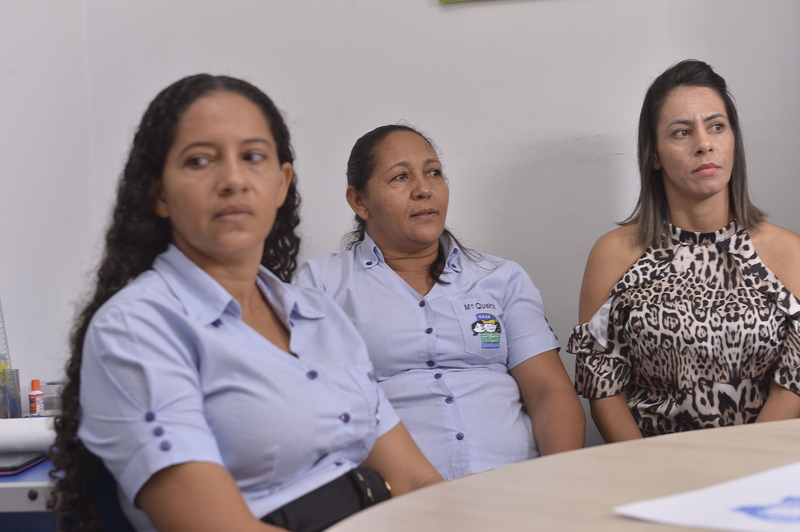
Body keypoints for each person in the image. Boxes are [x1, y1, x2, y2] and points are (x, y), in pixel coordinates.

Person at [50, 75, 441, 532]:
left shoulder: (319, 315)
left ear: (281, 183)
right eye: (200, 160)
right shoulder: (137, 328)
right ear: (158, 192)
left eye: (253, 157)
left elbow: (414, 479)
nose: (233, 180)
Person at [295, 124, 585, 480]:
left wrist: (559, 483)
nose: (424, 189)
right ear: (360, 201)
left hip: (515, 484)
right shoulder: (322, 284)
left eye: (433, 173)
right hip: (397, 495)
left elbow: (548, 392)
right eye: (400, 177)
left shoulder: (500, 277)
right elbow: (315, 408)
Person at [568, 59, 800, 443]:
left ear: (734, 141)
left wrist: (746, 467)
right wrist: (646, 470)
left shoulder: (788, 252)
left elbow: (791, 386)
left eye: (717, 126)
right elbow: (604, 390)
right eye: (681, 132)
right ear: (654, 155)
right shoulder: (613, 254)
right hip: (650, 464)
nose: (704, 144)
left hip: (764, 461)